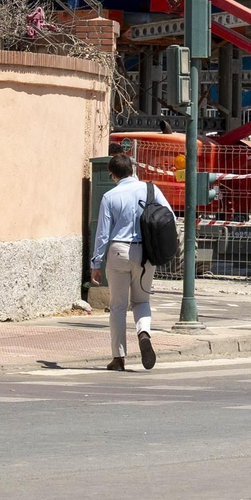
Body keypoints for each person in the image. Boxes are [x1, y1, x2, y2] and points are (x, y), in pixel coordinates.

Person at [90, 153, 173, 371]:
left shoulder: (109, 196)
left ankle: (118, 358)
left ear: (113, 175)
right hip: (145, 254)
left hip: (118, 251)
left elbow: (102, 234)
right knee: (141, 300)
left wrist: (96, 263)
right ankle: (143, 333)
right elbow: (169, 216)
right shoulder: (151, 190)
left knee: (118, 306)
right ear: (133, 170)